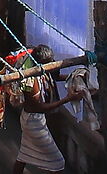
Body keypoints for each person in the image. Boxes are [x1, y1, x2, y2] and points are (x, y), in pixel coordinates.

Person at [11, 46, 68, 174]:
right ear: (41, 65)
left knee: (24, 154)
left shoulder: (40, 71)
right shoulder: (32, 82)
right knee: (58, 162)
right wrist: (67, 99)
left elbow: (54, 77)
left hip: (30, 119)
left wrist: (72, 77)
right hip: (34, 122)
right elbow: (39, 107)